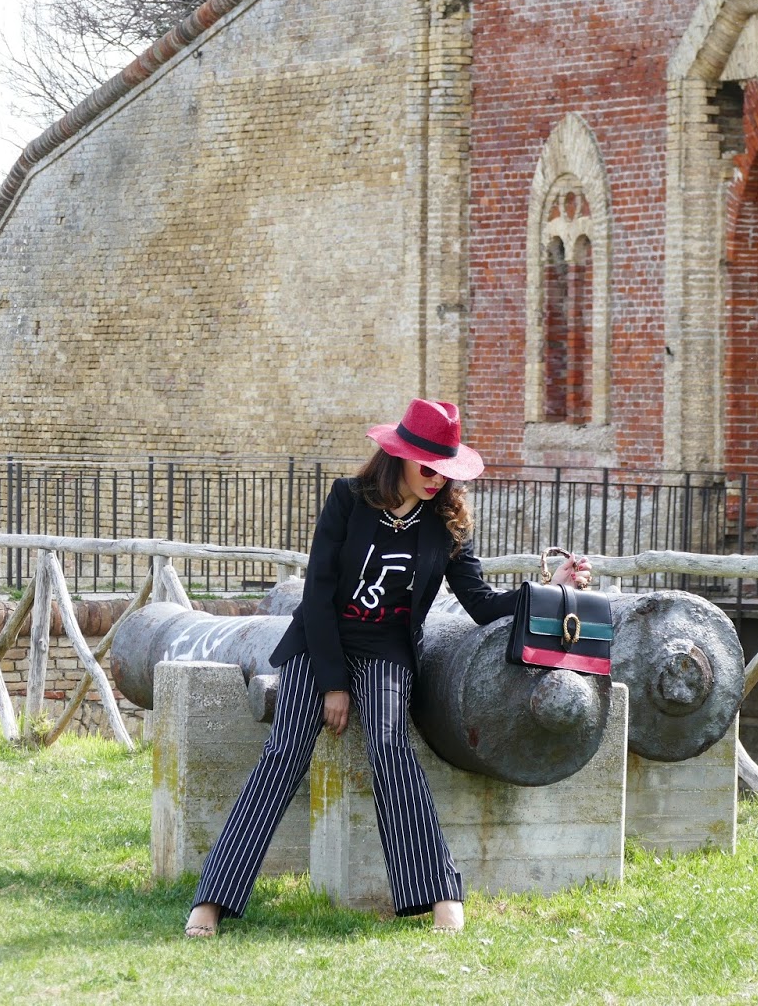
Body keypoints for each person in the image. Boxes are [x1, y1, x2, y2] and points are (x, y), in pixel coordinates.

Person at [184, 399, 591, 936]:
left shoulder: (446, 523)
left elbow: (482, 603)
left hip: (386, 653)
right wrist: (332, 683)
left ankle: (441, 893)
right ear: (399, 456)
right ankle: (211, 900)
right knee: (284, 753)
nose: (436, 479)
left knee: (390, 747)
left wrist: (553, 589)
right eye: (428, 467)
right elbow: (320, 593)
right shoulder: (348, 501)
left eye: (446, 471)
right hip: (320, 643)